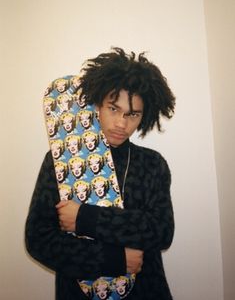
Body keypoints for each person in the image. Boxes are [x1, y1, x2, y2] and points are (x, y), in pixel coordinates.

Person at [25, 47, 176, 300]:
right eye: (113, 109)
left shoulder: (152, 163)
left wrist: (83, 218)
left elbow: (161, 231)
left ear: (143, 116)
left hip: (147, 291)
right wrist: (115, 259)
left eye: (132, 114)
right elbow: (39, 240)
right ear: (97, 105)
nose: (121, 123)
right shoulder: (60, 159)